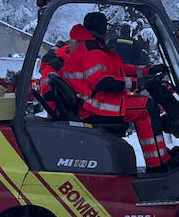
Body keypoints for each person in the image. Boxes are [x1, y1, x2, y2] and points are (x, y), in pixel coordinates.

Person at [59, 12, 172, 172]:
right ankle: (158, 164)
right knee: (147, 107)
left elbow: (118, 68)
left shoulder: (91, 46)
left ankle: (159, 158)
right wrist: (135, 83)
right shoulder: (92, 50)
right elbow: (103, 82)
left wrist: (147, 70)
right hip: (94, 104)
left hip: (92, 100)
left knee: (145, 104)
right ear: (102, 30)